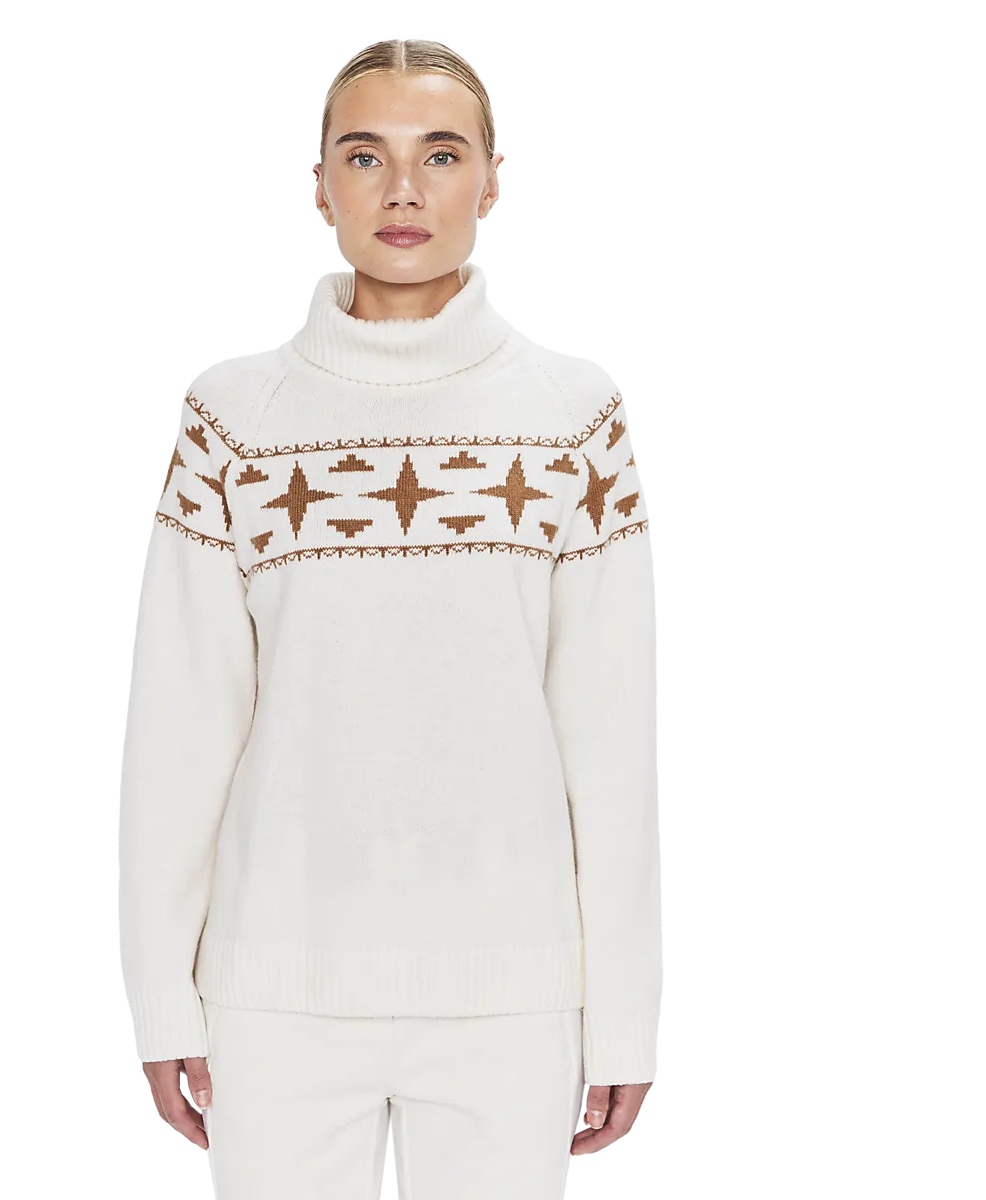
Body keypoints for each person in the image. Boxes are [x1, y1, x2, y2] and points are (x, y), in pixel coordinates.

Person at [120, 36, 661, 1199]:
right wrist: (162, 993)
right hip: (273, 995)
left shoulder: (575, 416)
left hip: (516, 999)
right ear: (320, 186)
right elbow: (179, 728)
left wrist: (624, 1013)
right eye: (366, 156)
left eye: (441, 154)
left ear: (494, 179)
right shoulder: (231, 418)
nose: (403, 190)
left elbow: (613, 736)